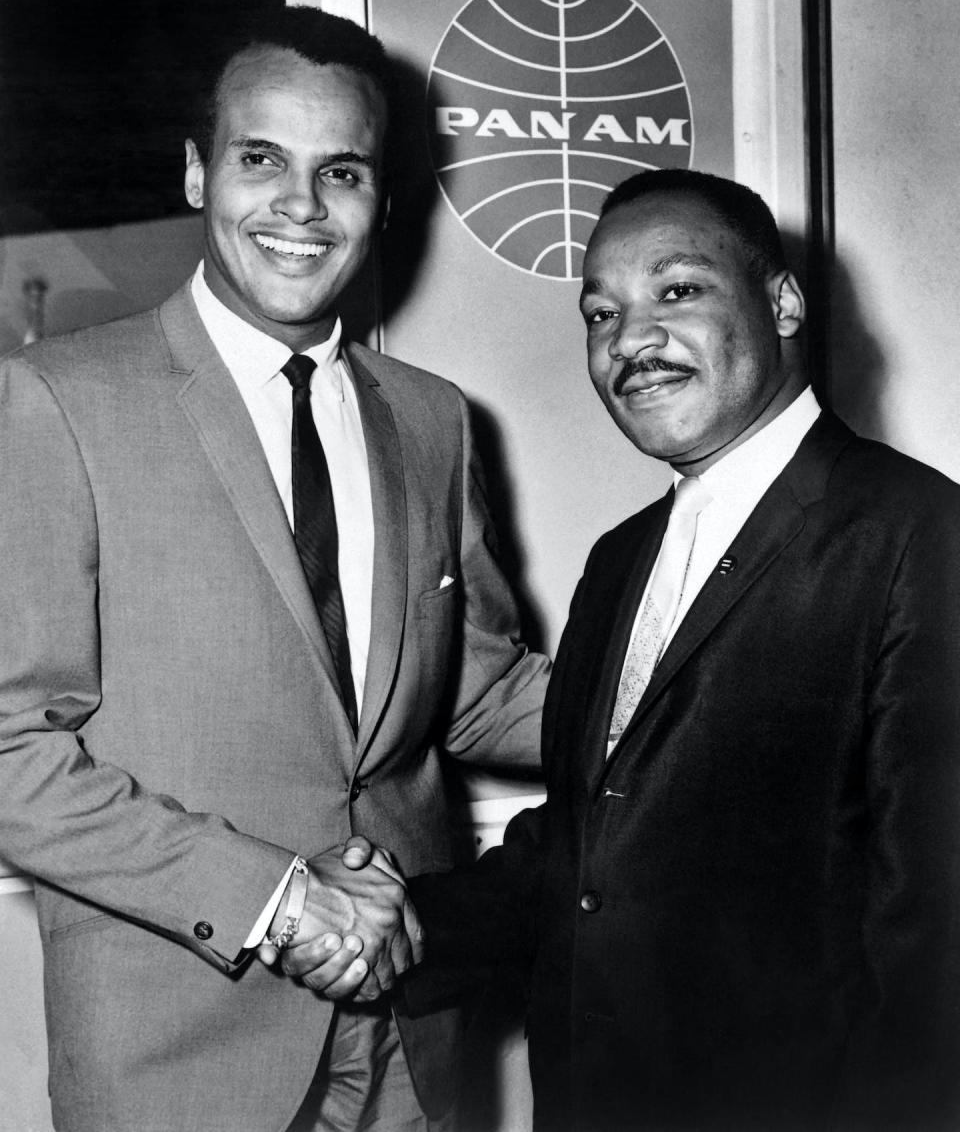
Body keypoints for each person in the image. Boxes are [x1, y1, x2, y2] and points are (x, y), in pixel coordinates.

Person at [0, 6, 548, 1132]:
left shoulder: (435, 421)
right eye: (262, 160)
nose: (301, 207)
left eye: (340, 171)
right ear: (199, 172)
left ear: (383, 200)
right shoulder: (60, 399)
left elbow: (481, 689)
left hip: (412, 1027)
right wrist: (281, 899)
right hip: (180, 1056)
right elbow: (9, 750)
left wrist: (708, 682)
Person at [322, 168, 960, 1130]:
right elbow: (581, 850)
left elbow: (935, 934)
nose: (633, 340)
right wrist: (403, 925)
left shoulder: (918, 534)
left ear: (782, 302)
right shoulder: (619, 561)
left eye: (679, 290)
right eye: (601, 312)